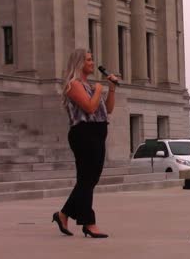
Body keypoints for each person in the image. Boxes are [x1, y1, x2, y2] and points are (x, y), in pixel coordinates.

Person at [52, 48, 118, 238]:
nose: (92, 63)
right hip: (83, 134)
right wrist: (98, 90)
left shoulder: (89, 86)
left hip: (97, 133)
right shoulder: (73, 85)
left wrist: (110, 88)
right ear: (80, 63)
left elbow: (109, 109)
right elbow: (89, 107)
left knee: (89, 180)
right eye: (89, 60)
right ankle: (88, 223)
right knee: (87, 180)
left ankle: (63, 214)